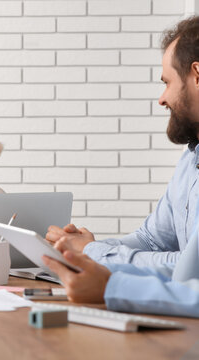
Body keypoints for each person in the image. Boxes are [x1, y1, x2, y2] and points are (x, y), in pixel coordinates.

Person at [43, 16, 199, 317]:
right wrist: (82, 252)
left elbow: (185, 273)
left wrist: (96, 258)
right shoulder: (190, 159)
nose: (161, 99)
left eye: (167, 82)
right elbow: (152, 239)